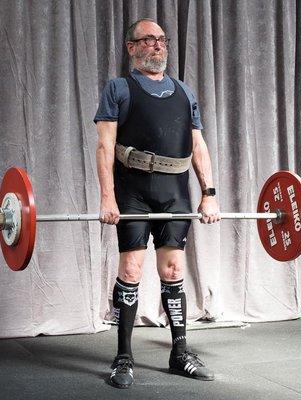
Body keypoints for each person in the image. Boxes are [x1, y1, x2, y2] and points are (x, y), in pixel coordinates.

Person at [94, 18, 220, 389]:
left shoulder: (184, 91)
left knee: (172, 271)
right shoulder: (118, 88)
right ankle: (123, 357)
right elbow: (105, 146)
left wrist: (209, 194)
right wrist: (107, 197)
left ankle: (180, 352)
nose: (158, 45)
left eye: (162, 40)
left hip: (175, 191)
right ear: (131, 47)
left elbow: (198, 145)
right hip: (131, 189)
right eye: (148, 40)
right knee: (131, 270)